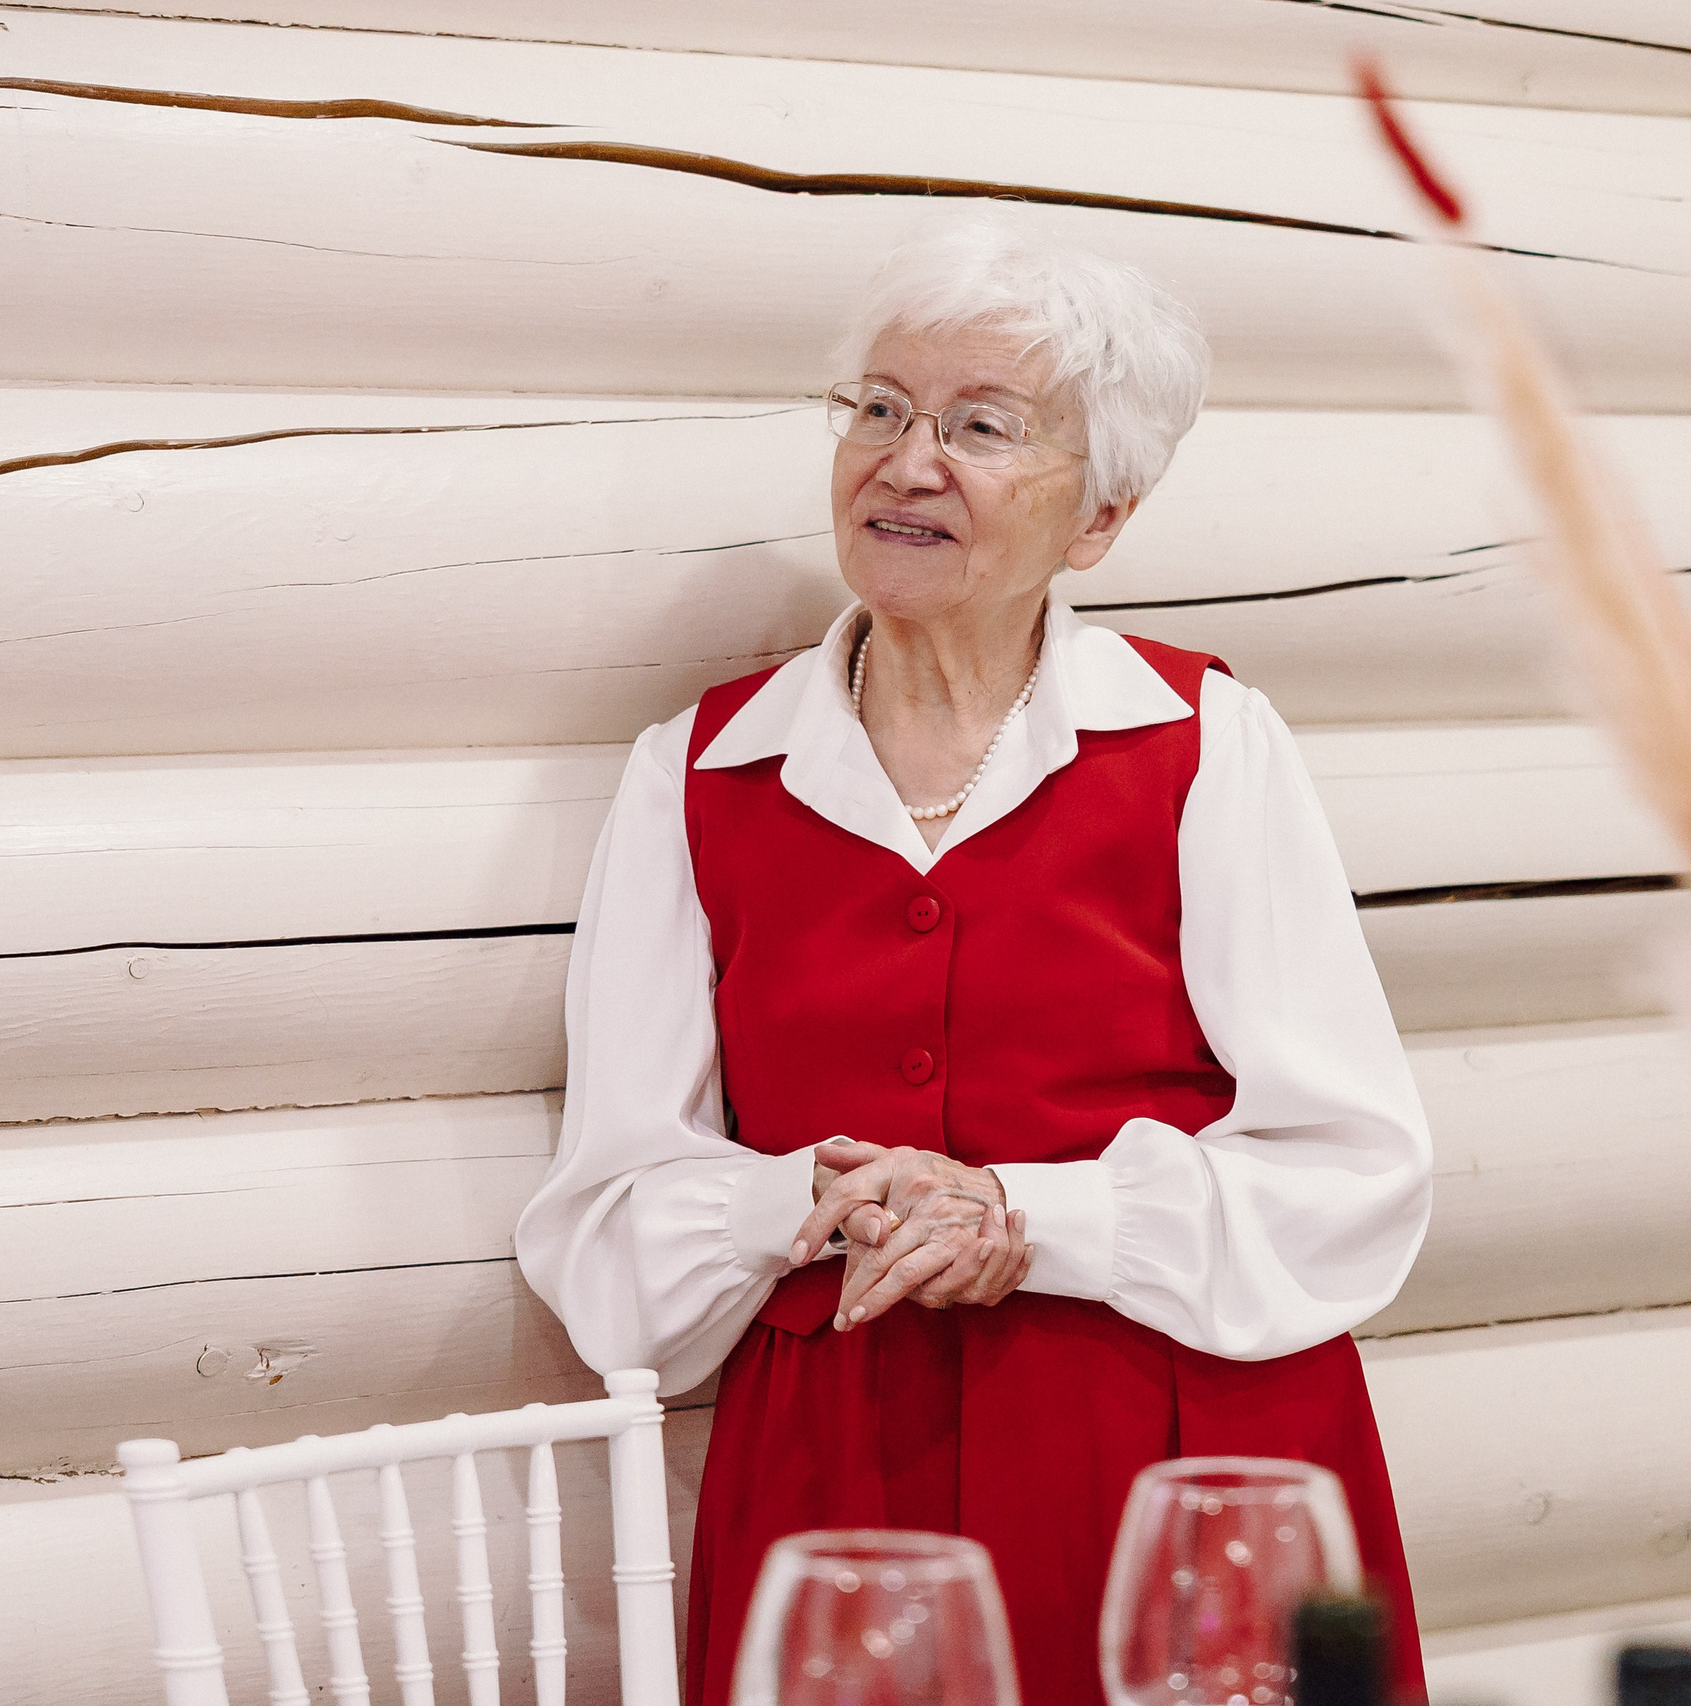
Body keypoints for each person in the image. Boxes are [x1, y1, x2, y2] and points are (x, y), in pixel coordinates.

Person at [514, 218, 1435, 1705]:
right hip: (836, 1502)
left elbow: (1352, 1173)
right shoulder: (696, 772)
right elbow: (611, 1240)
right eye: (879, 408)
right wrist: (795, 1201)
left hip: (1177, 1479)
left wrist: (1032, 1216)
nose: (907, 461)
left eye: (982, 427)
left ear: (1100, 516)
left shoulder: (1205, 746)